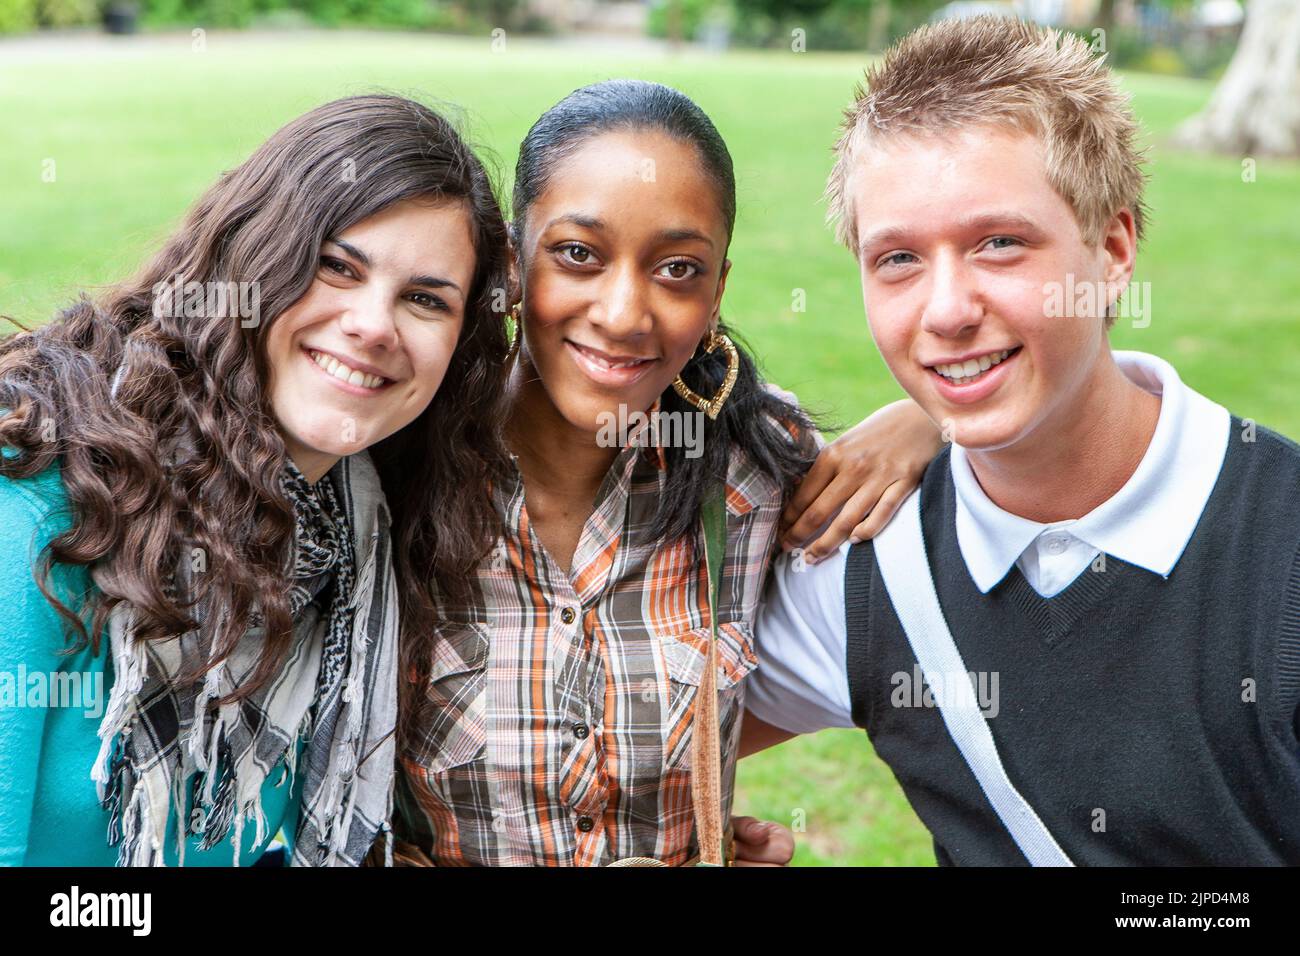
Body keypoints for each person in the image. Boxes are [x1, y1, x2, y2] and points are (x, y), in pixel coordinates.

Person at [742, 16, 1300, 865]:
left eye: (999, 243)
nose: (946, 310)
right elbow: (611, 754)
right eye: (897, 259)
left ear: (1113, 250)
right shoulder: (868, 560)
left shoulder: (1277, 541)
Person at [392, 79, 945, 866]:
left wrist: (936, 419)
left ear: (718, 290)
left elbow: (1038, 440)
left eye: (678, 269)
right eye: (578, 254)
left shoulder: (753, 469)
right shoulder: (402, 459)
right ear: (512, 263)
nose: (624, 313)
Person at [0, 94, 510, 866]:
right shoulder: (39, 497)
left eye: (425, 300)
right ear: (252, 256)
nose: (374, 325)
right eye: (337, 267)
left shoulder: (351, 545)